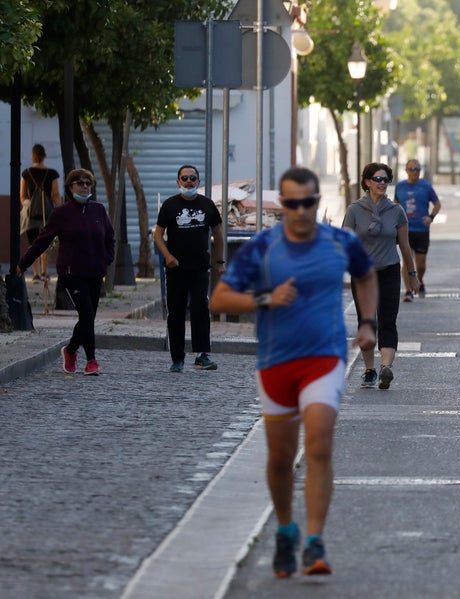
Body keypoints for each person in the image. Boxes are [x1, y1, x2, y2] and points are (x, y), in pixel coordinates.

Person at [210, 167, 378, 577]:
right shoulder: (262, 247)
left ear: (317, 201)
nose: (299, 211)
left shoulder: (340, 242)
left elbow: (366, 275)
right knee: (281, 457)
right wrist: (266, 297)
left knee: (319, 442)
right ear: (281, 205)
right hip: (276, 361)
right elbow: (219, 299)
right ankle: (286, 529)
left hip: (324, 357)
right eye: (290, 204)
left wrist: (368, 323)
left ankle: (315, 542)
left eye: (307, 202)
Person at [17, 169, 115, 376]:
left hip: (95, 272)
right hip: (72, 273)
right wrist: (23, 264)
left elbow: (109, 238)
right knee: (87, 314)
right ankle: (91, 361)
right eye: (79, 183)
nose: (84, 186)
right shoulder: (61, 213)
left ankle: (70, 350)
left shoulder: (98, 210)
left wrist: (106, 260)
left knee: (88, 317)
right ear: (70, 187)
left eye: (88, 183)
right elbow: (42, 240)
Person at [344, 163, 419, 390]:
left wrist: (412, 274)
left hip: (389, 271)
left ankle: (386, 368)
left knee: (388, 321)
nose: (382, 183)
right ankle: (369, 370)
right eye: (378, 179)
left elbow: (405, 247)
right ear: (367, 182)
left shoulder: (396, 211)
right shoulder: (355, 210)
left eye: (386, 180)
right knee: (367, 322)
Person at [153, 165, 224, 373]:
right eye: (185, 178)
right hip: (176, 269)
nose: (189, 182)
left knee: (200, 308)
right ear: (178, 182)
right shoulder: (169, 205)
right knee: (175, 312)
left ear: (198, 181)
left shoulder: (207, 205)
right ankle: (177, 358)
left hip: (200, 267)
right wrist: (167, 256)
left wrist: (220, 262)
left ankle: (202, 354)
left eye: (193, 178)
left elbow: (218, 235)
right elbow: (157, 235)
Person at [393, 158, 440, 300]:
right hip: (404, 229)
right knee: (406, 261)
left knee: (420, 264)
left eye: (417, 169)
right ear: (406, 171)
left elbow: (437, 204)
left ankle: (420, 278)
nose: (415, 172)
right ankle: (408, 290)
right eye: (412, 169)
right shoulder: (400, 186)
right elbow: (395, 204)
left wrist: (430, 217)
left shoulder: (426, 186)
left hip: (421, 230)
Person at [19, 144, 62, 281]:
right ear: (44, 156)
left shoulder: (26, 173)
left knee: (33, 243)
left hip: (30, 214)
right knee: (46, 242)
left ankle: (36, 274)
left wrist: (27, 205)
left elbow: (22, 195)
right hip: (47, 212)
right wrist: (59, 209)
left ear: (33, 156)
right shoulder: (52, 174)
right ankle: (45, 272)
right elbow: (55, 194)